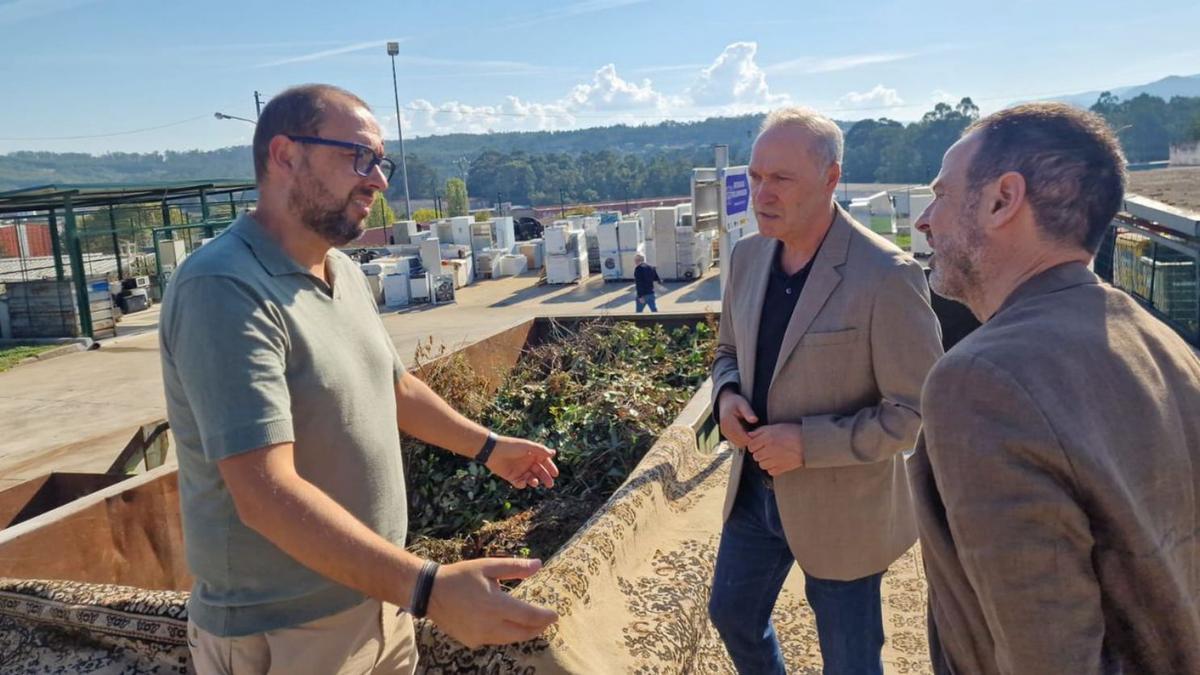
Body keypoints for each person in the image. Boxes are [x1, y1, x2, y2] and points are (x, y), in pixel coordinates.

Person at [159, 84, 558, 675]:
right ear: (285, 155)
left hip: (381, 596)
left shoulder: (340, 270)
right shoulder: (224, 288)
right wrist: (431, 590)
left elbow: (393, 387)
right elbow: (263, 493)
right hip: (288, 632)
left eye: (381, 163)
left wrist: (491, 448)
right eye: (359, 158)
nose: (378, 181)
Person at [909, 102, 1200, 674]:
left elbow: (1046, 653)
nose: (925, 220)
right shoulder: (1166, 347)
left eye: (941, 195)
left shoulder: (981, 380)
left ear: (1002, 200)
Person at [707, 106, 943, 674]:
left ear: (831, 178)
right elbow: (726, 353)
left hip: (844, 509)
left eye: (781, 179)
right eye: (755, 177)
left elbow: (916, 413)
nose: (762, 193)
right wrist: (726, 396)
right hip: (753, 494)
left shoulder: (887, 276)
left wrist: (808, 444)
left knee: (850, 662)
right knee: (733, 615)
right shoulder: (746, 256)